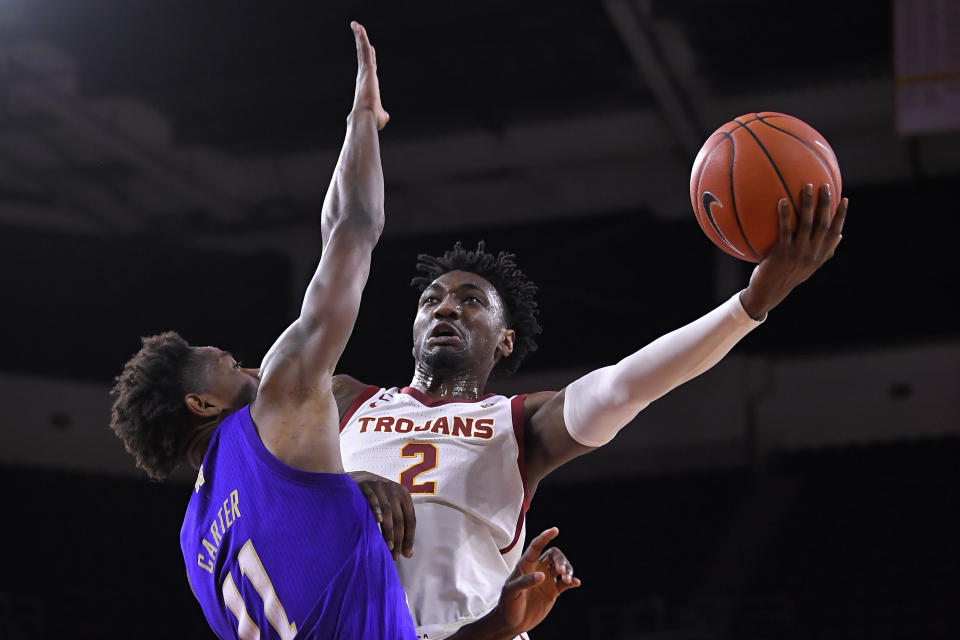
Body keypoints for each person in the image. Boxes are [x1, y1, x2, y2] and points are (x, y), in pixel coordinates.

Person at [109, 22, 579, 640]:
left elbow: (300, 551)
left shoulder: (197, 543)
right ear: (202, 403)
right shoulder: (278, 400)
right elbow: (351, 229)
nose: (246, 364)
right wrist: (362, 121)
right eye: (224, 362)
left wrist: (342, 492)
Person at [335, 178, 848, 639]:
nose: (445, 307)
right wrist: (333, 486)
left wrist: (750, 304)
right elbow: (253, 409)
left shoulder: (518, 423)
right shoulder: (340, 399)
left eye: (471, 301)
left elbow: (625, 386)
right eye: (431, 300)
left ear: (505, 341)